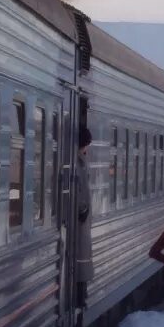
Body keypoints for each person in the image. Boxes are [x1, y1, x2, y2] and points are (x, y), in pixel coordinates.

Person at [75, 126, 93, 308]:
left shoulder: (81, 161)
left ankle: (81, 295)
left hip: (82, 220)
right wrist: (83, 209)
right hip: (80, 221)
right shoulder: (78, 162)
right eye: (86, 145)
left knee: (82, 259)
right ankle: (79, 296)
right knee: (81, 259)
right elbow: (81, 192)